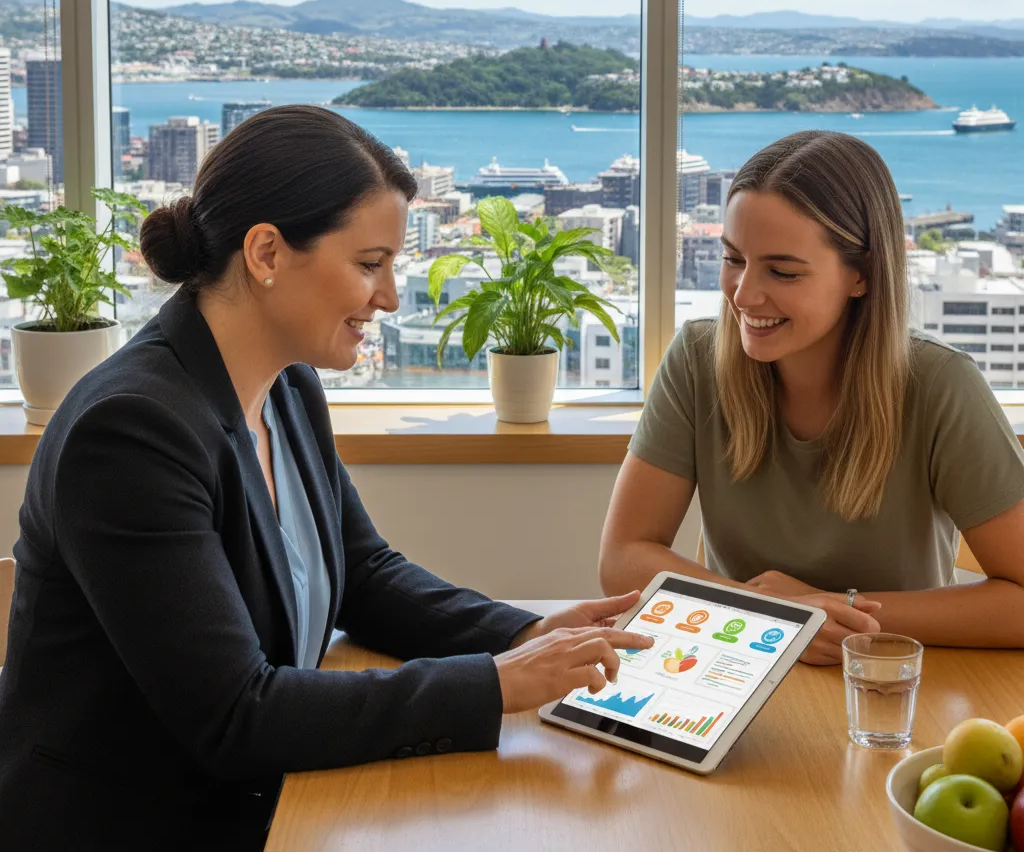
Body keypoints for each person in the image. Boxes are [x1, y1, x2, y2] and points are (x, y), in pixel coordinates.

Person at [0, 106, 652, 850]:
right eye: (370, 264)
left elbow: (365, 574)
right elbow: (236, 715)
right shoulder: (130, 433)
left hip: (273, 802)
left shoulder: (285, 387)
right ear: (267, 253)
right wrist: (497, 683)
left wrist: (527, 632)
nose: (390, 297)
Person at [599, 130, 1024, 665]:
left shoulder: (941, 385)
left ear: (862, 276)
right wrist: (773, 614)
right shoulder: (696, 359)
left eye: (782, 271)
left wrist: (834, 615)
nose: (745, 294)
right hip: (732, 669)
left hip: (890, 687)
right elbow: (622, 557)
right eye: (733, 259)